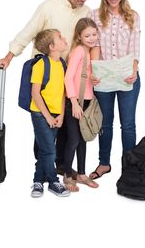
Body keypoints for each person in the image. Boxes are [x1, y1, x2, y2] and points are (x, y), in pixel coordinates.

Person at [0, 0, 91, 176]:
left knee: (66, 124)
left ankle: (60, 165)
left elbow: (90, 39)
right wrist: (9, 57)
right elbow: (28, 32)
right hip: (47, 76)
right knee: (44, 121)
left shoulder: (86, 12)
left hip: (71, 78)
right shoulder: (48, 7)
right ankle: (42, 165)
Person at [88, 0, 141, 180]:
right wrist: (92, 72)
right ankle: (104, 163)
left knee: (128, 124)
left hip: (128, 75)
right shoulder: (93, 15)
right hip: (103, 77)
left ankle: (129, 166)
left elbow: (135, 48)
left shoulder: (133, 15)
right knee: (105, 123)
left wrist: (134, 70)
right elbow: (92, 44)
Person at [30, 28, 70, 197]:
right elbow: (35, 93)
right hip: (40, 114)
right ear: (52, 46)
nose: (64, 38)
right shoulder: (40, 64)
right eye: (60, 37)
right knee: (50, 151)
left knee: (43, 150)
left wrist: (60, 115)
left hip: (55, 115)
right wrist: (47, 116)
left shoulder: (61, 63)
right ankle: (54, 182)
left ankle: (38, 181)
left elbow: (62, 92)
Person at [64, 18, 99, 191]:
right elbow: (68, 78)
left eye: (94, 34)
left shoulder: (91, 52)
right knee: (73, 140)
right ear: (79, 36)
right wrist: (73, 102)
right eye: (87, 35)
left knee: (83, 139)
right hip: (74, 103)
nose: (92, 38)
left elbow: (86, 78)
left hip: (87, 101)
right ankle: (68, 175)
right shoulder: (78, 51)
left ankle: (82, 173)